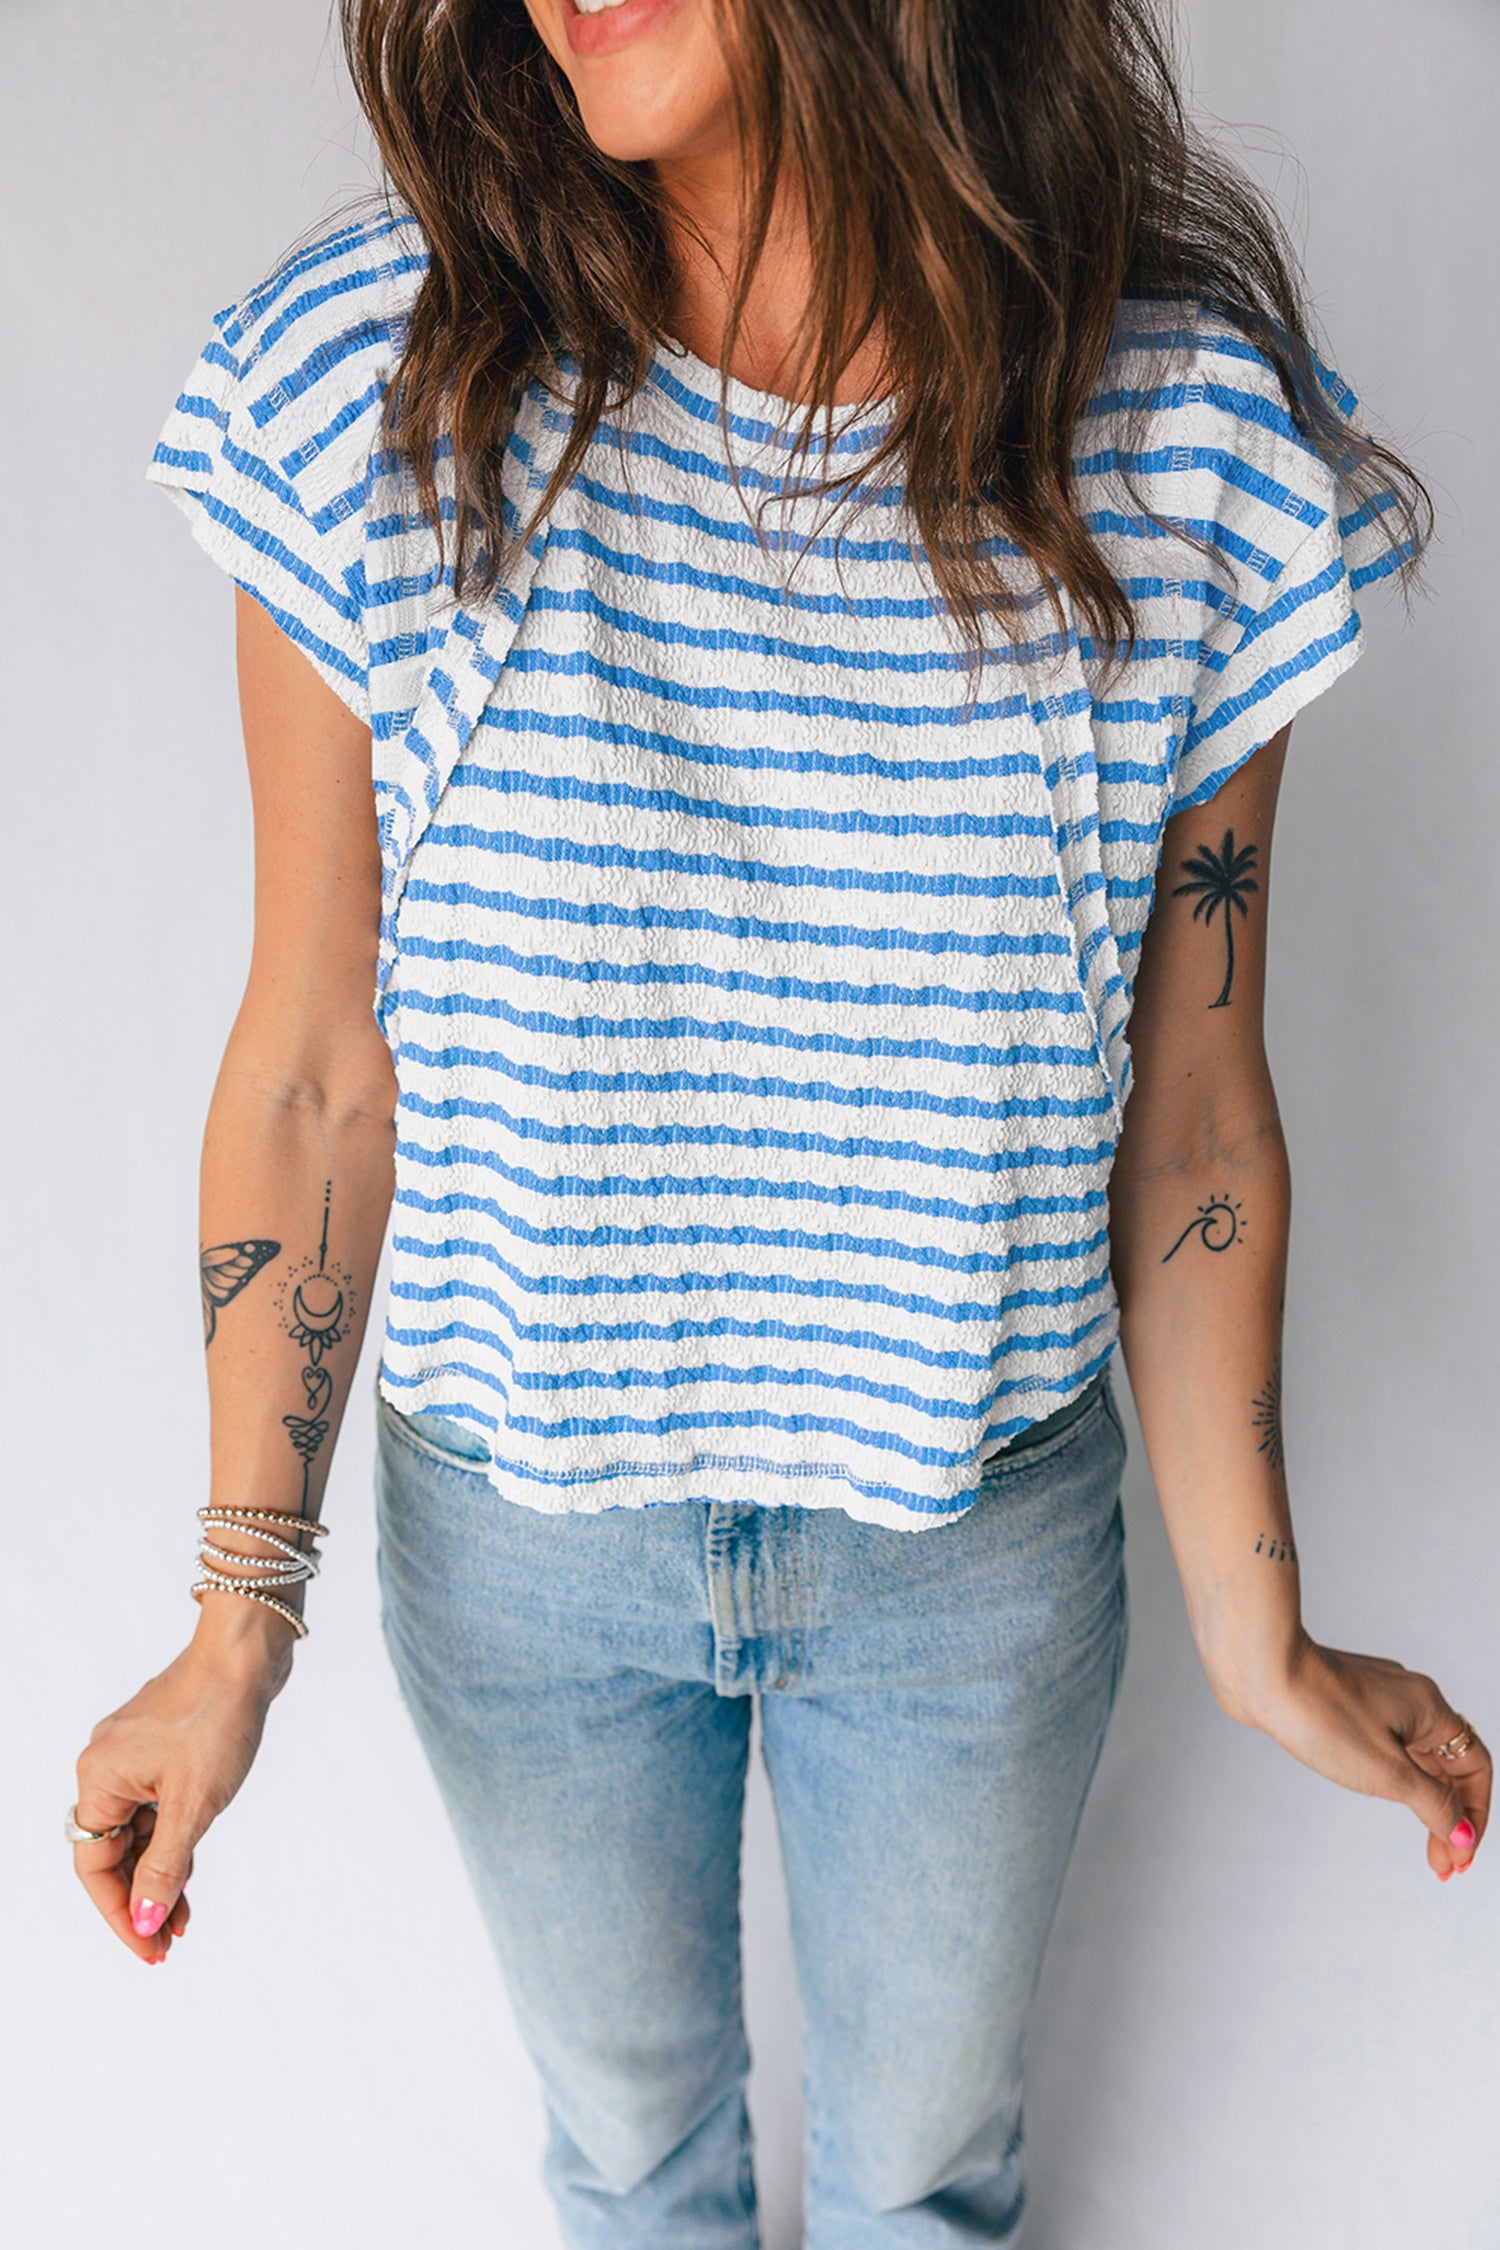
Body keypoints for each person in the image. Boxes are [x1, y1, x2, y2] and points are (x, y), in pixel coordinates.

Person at [70, 2, 1489, 2242]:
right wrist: (236, 1621)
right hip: (521, 1557)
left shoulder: (1188, 442)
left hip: (974, 1560)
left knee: (933, 2183)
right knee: (634, 2170)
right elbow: (317, 1060)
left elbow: (1198, 1113)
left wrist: (1259, 1631)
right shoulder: (380, 381)